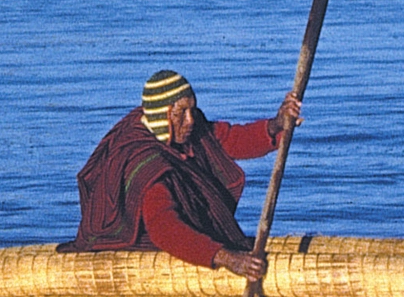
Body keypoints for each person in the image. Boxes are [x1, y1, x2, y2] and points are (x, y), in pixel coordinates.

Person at [58, 70, 301, 281]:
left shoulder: (187, 129)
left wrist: (275, 125)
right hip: (143, 239)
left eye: (192, 110)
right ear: (163, 115)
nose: (190, 120)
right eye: (181, 112)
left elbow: (228, 138)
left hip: (183, 235)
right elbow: (163, 226)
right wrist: (225, 258)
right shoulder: (145, 162)